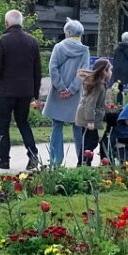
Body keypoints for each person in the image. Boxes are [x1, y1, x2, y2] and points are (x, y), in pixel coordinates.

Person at [0, 9, 42, 169]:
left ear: (6, 23)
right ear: (21, 23)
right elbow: (37, 70)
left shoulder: (2, 41)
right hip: (25, 91)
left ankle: (4, 160)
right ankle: (33, 155)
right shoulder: (32, 41)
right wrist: (35, 92)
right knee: (23, 122)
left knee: (4, 124)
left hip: (7, 89)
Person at [43, 20, 87, 166]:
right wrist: (72, 89)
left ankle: (56, 160)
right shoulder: (84, 50)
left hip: (58, 93)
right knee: (78, 125)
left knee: (57, 125)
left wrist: (61, 88)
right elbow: (83, 72)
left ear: (67, 33)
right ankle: (82, 159)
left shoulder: (58, 47)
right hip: (75, 94)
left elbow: (53, 68)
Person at [74, 57, 113, 165]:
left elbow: (98, 102)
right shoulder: (99, 85)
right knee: (90, 141)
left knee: (90, 141)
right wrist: (90, 121)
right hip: (87, 117)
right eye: (109, 70)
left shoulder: (101, 84)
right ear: (104, 71)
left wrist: (106, 108)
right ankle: (83, 163)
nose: (111, 72)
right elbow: (90, 103)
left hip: (89, 115)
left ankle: (84, 162)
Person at [112, 30, 128, 102]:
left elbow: (115, 59)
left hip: (118, 70)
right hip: (127, 71)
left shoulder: (117, 48)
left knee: (119, 88)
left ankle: (119, 104)